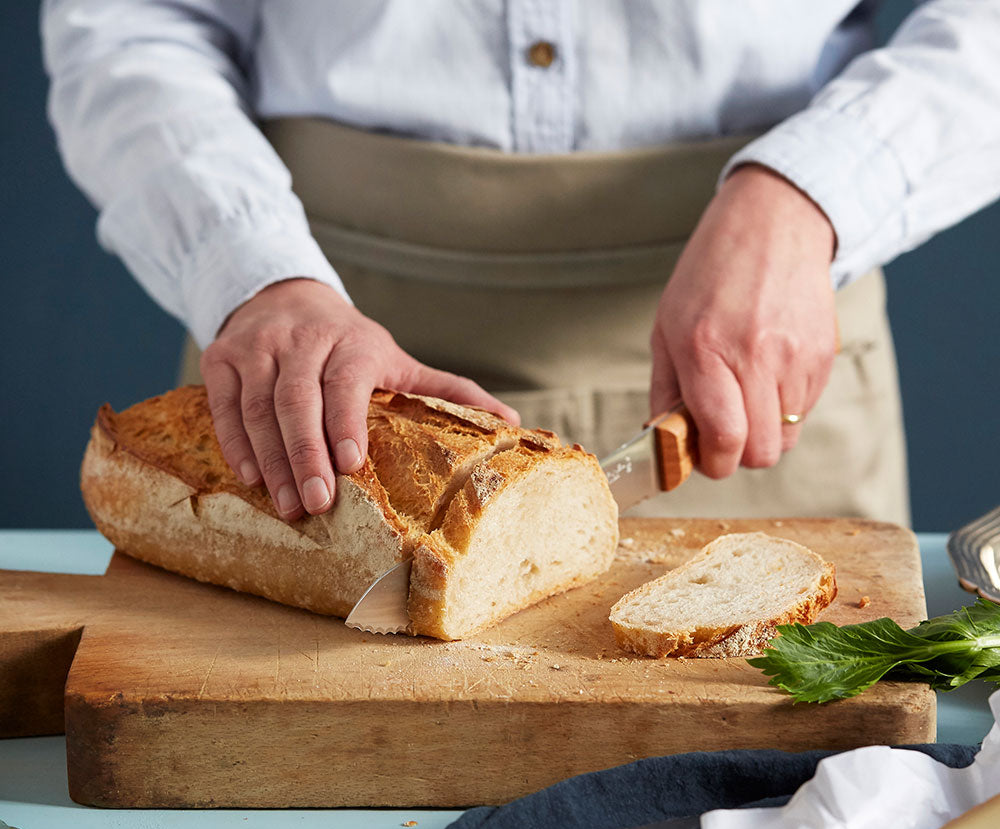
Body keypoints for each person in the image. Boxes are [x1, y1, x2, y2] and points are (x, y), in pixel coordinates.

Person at [42, 1, 1000, 526]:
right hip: (311, 346)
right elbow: (128, 21)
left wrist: (812, 191)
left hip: (758, 334)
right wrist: (249, 269)